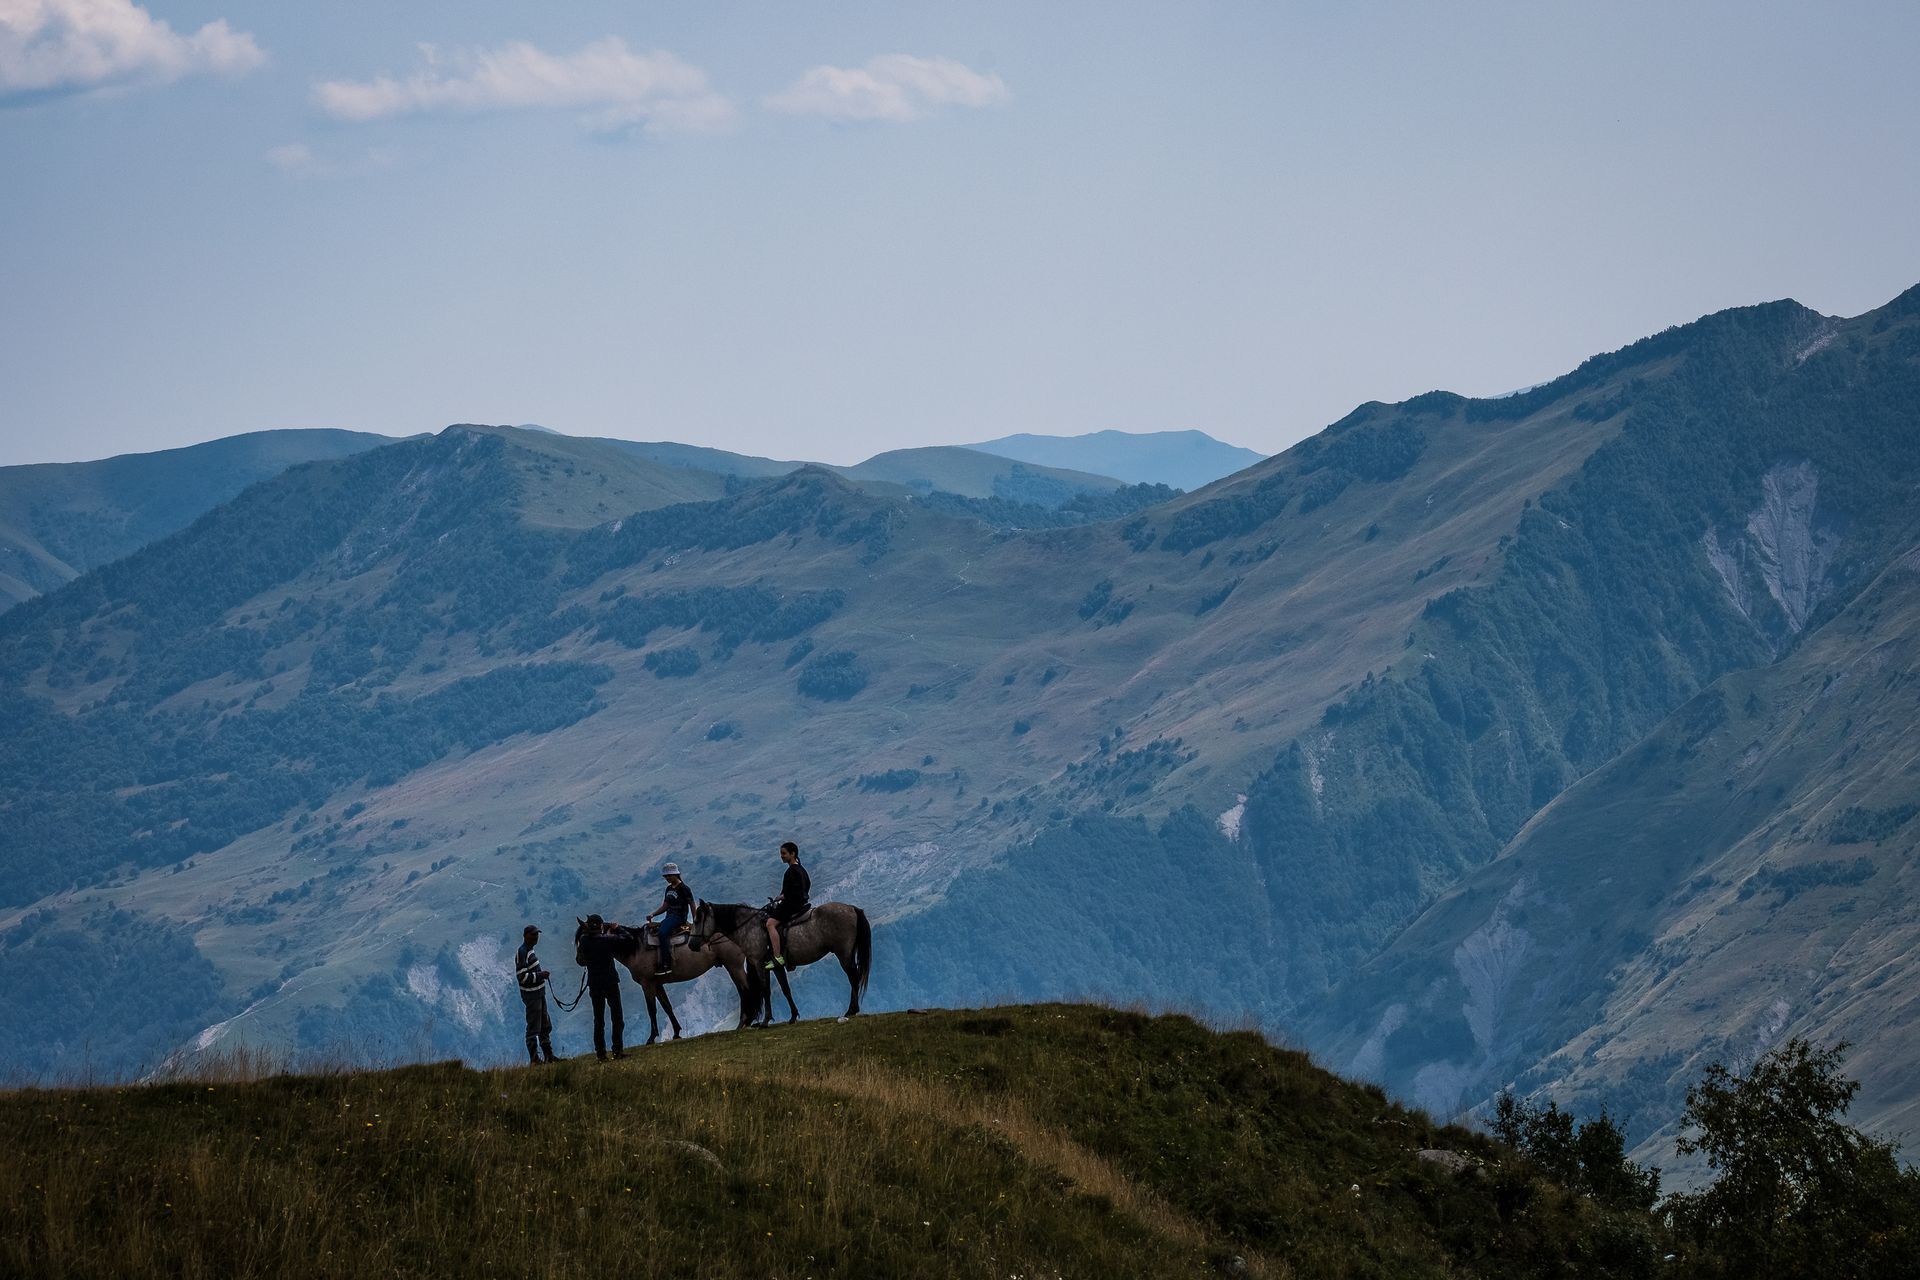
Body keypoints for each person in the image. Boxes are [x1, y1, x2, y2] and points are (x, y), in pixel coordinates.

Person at [579, 913, 627, 1060]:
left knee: (598, 1019)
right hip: (610, 982)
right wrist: (617, 929)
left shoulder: (584, 940)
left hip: (594, 983)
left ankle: (601, 1053)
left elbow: (580, 961)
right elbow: (626, 939)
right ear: (600, 926)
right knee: (617, 1017)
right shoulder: (607, 940)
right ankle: (617, 1050)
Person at [514, 924, 560, 1064]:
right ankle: (534, 1059)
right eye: (533, 935)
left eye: (537, 935)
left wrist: (540, 976)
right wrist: (541, 975)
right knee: (534, 1027)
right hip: (532, 996)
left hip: (539, 993)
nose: (536, 937)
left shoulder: (530, 951)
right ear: (525, 936)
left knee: (545, 1025)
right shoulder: (522, 952)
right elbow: (522, 977)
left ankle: (548, 1056)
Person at [763, 841, 811, 970]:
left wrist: (782, 897)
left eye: (784, 853)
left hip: (792, 904)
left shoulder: (792, 871)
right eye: (781, 854)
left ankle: (777, 957)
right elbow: (807, 886)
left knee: (770, 924)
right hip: (801, 903)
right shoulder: (801, 869)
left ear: (792, 853)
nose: (782, 856)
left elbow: (793, 891)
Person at [644, 862, 694, 976]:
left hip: (679, 917)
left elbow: (692, 904)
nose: (667, 878)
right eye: (665, 876)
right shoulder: (668, 889)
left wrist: (695, 920)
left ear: (676, 875)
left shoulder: (684, 889)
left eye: (669, 876)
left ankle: (666, 964)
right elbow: (665, 905)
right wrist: (653, 914)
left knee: (662, 933)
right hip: (669, 916)